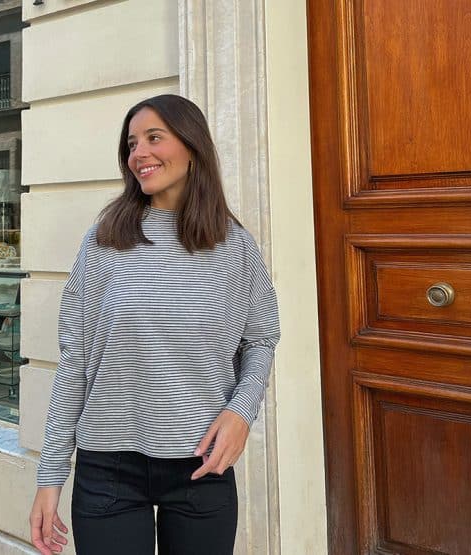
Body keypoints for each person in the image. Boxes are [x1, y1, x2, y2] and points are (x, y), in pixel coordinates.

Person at [29, 94, 280, 555]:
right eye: (131, 144)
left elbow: (261, 337)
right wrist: (50, 476)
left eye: (153, 138)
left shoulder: (235, 246)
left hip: (202, 467)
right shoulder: (105, 240)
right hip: (109, 471)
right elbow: (75, 362)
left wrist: (241, 413)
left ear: (192, 146)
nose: (138, 153)